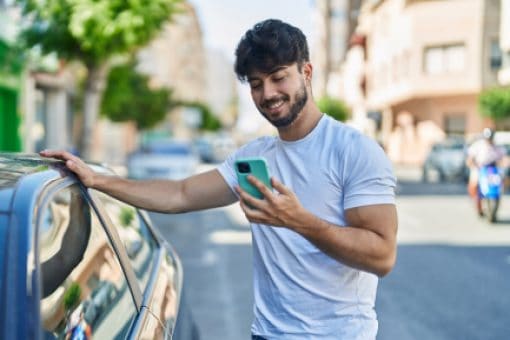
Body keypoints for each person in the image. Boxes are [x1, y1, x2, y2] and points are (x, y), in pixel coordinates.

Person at [41, 19, 398, 340]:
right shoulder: (255, 156)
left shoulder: (355, 151)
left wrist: (298, 220)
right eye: (256, 84)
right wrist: (99, 180)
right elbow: (180, 194)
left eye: (278, 77)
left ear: (306, 71)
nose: (268, 94)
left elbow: (381, 256)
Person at [466, 127, 506, 216]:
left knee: (502, 182)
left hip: (493, 170)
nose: (489, 140)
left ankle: (498, 199)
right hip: (480, 169)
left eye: (490, 138)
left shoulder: (497, 147)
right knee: (474, 184)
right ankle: (477, 202)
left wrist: (504, 164)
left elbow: (503, 159)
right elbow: (470, 159)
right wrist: (473, 165)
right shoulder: (478, 146)